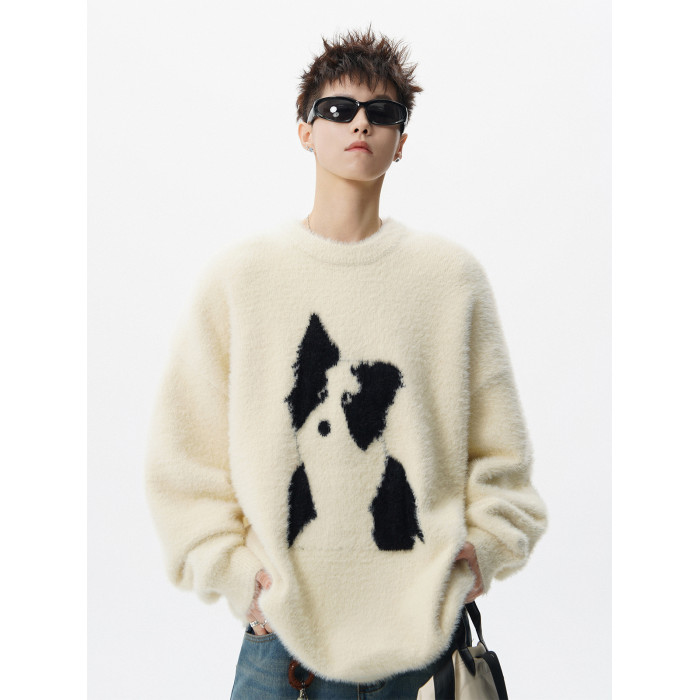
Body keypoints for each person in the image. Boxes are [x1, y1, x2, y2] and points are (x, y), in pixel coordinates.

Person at [144, 24, 548, 699]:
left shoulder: (449, 280)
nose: (360, 123)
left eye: (381, 112)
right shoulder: (242, 279)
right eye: (338, 109)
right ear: (305, 130)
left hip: (424, 645)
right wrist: (236, 575)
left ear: (401, 140)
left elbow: (502, 454)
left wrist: (485, 549)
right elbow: (184, 457)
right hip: (286, 649)